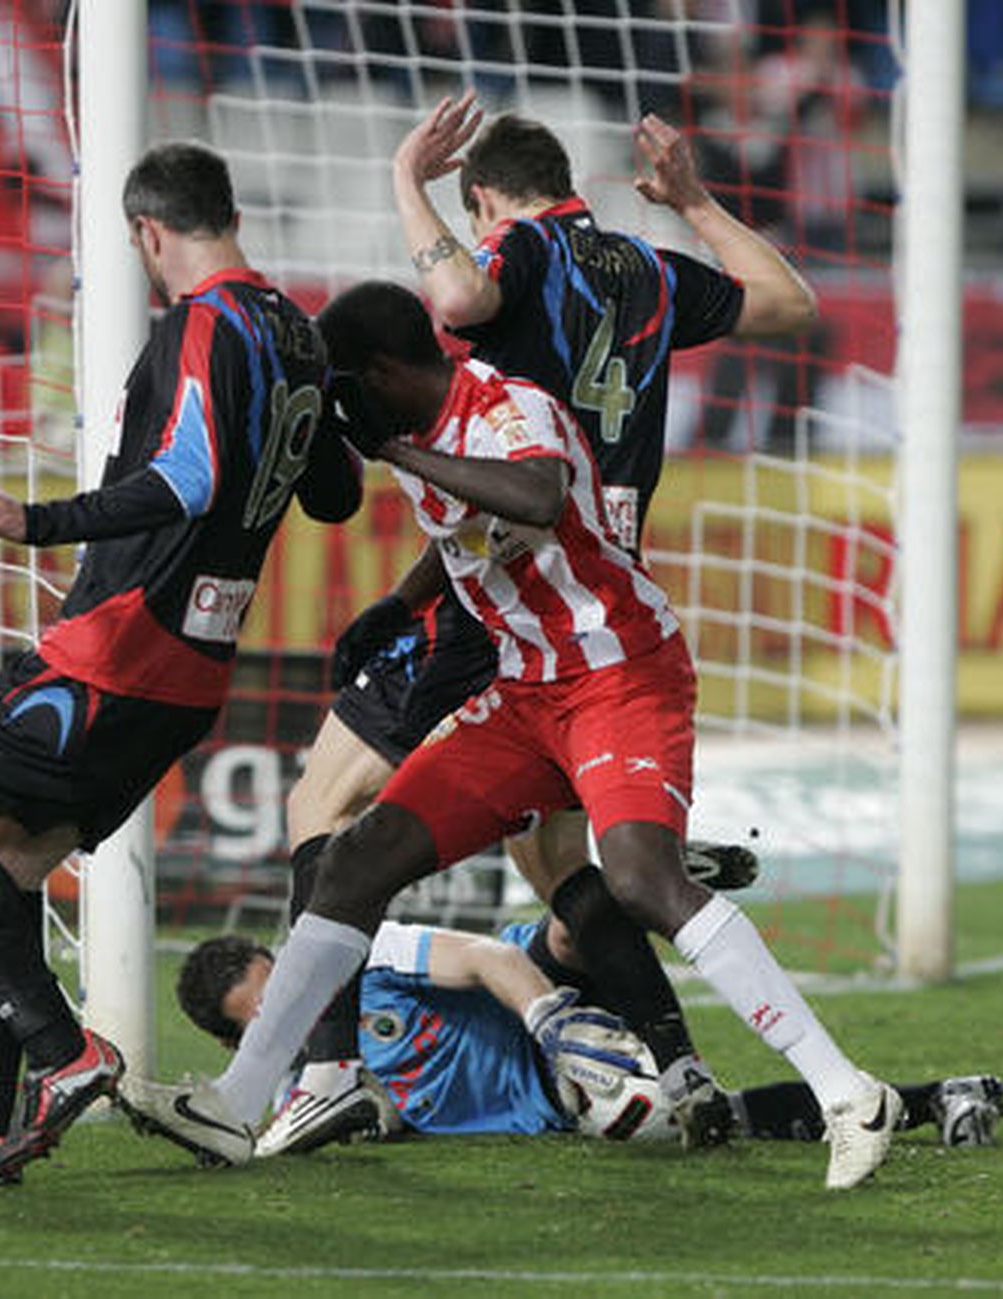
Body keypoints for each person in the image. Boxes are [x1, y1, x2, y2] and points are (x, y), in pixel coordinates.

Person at [126, 280, 900, 1191]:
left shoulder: (506, 405)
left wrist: (394, 450)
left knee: (641, 877)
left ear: (381, 373)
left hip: (619, 672)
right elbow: (469, 534)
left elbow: (535, 495)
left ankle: (850, 1094)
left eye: (350, 388)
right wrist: (400, 603)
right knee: (352, 860)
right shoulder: (426, 436)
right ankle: (236, 1101)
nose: (345, 408)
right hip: (525, 692)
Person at [268, 95, 815, 1156]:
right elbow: (785, 304)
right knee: (560, 854)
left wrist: (402, 181)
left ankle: (323, 1073)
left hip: (512, 565)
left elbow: (461, 294)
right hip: (598, 579)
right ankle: (680, 1064)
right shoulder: (643, 266)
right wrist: (696, 201)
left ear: (484, 197)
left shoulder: (513, 246)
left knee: (321, 804)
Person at [0, 141, 362, 1189]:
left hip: (114, 646)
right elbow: (335, 497)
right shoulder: (296, 333)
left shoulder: (204, 324)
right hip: (193, 674)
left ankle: (66, 1051)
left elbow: (184, 476)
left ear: (146, 233)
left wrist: (38, 521)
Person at [176, 913, 1003, 1147]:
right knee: (711, 1123)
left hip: (545, 1012)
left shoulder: (366, 951)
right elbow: (379, 1118)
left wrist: (555, 1022)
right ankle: (942, 1098)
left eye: (286, 988)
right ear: (234, 1045)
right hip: (554, 1100)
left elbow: (481, 959)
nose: (294, 1013)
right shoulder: (301, 1097)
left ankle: (652, 882)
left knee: (574, 925)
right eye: (265, 1020)